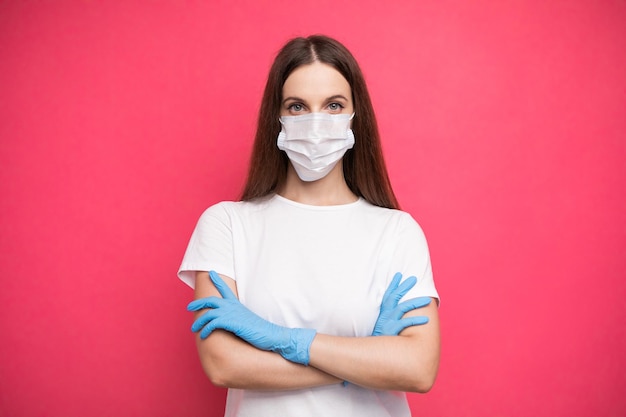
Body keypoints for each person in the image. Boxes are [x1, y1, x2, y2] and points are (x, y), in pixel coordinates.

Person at [178, 34, 440, 417]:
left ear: (355, 117)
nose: (316, 122)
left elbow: (417, 369)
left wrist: (283, 340)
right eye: (297, 106)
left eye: (334, 105)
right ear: (277, 120)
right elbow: (223, 364)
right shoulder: (226, 225)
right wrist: (363, 361)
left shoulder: (397, 232)